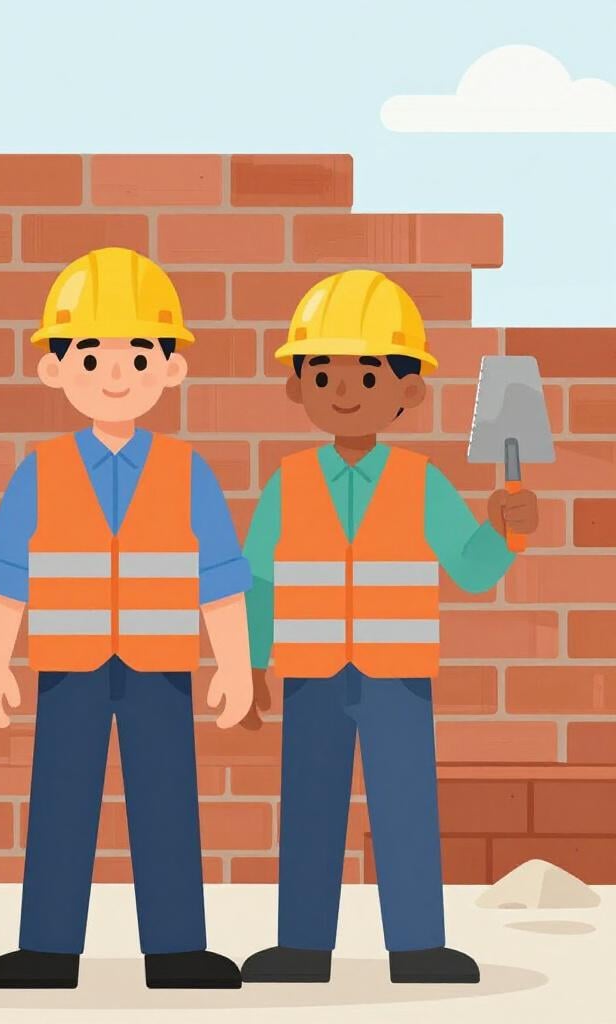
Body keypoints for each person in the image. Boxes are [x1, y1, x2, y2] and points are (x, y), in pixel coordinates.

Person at [241, 269, 539, 985]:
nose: (343, 391)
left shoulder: (420, 481)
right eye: (324, 373)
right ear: (298, 386)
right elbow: (258, 578)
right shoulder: (288, 481)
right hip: (310, 675)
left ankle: (417, 946)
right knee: (310, 810)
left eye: (366, 374)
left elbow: (469, 569)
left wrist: (505, 533)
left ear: (408, 391)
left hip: (397, 678)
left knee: (406, 809)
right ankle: (302, 948)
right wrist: (248, 664)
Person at [0, 247, 253, 990]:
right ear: (55, 370)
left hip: (161, 667)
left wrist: (235, 663)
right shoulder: (40, 469)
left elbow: (221, 577)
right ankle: (47, 949)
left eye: (137, 354)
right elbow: (6, 577)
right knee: (60, 801)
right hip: (69, 669)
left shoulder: (190, 471)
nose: (117, 373)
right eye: (91, 356)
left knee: (167, 802)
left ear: (171, 367)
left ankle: (178, 948)